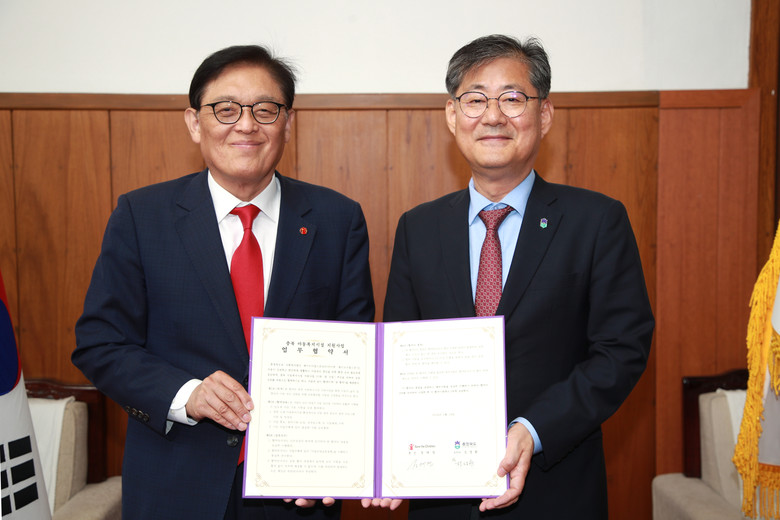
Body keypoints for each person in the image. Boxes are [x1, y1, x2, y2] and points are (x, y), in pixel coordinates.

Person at [73, 45, 374, 520]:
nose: (247, 125)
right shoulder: (141, 216)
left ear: (288, 123)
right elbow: (100, 343)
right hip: (175, 483)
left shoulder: (338, 219)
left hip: (298, 487)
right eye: (226, 109)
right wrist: (185, 393)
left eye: (265, 109)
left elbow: (357, 351)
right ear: (195, 123)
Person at [376, 34, 654, 519]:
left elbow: (621, 350)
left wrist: (533, 428)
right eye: (475, 100)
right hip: (439, 494)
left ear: (544, 115)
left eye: (512, 98)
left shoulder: (596, 221)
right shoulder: (417, 228)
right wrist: (384, 456)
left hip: (556, 489)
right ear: (452, 115)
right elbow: (396, 358)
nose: (493, 116)